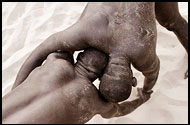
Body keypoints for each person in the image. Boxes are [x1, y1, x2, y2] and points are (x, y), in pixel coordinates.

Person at [12, 2, 188, 103]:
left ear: (134, 79)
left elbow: (152, 75)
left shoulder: (142, 52)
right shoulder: (86, 32)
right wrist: (16, 91)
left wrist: (147, 91)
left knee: (173, 22)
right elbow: (40, 52)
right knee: (173, 22)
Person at [2, 48, 153, 124]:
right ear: (101, 78)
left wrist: (16, 90)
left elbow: (49, 49)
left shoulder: (56, 61)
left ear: (79, 57)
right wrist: (141, 99)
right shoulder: (94, 101)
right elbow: (120, 110)